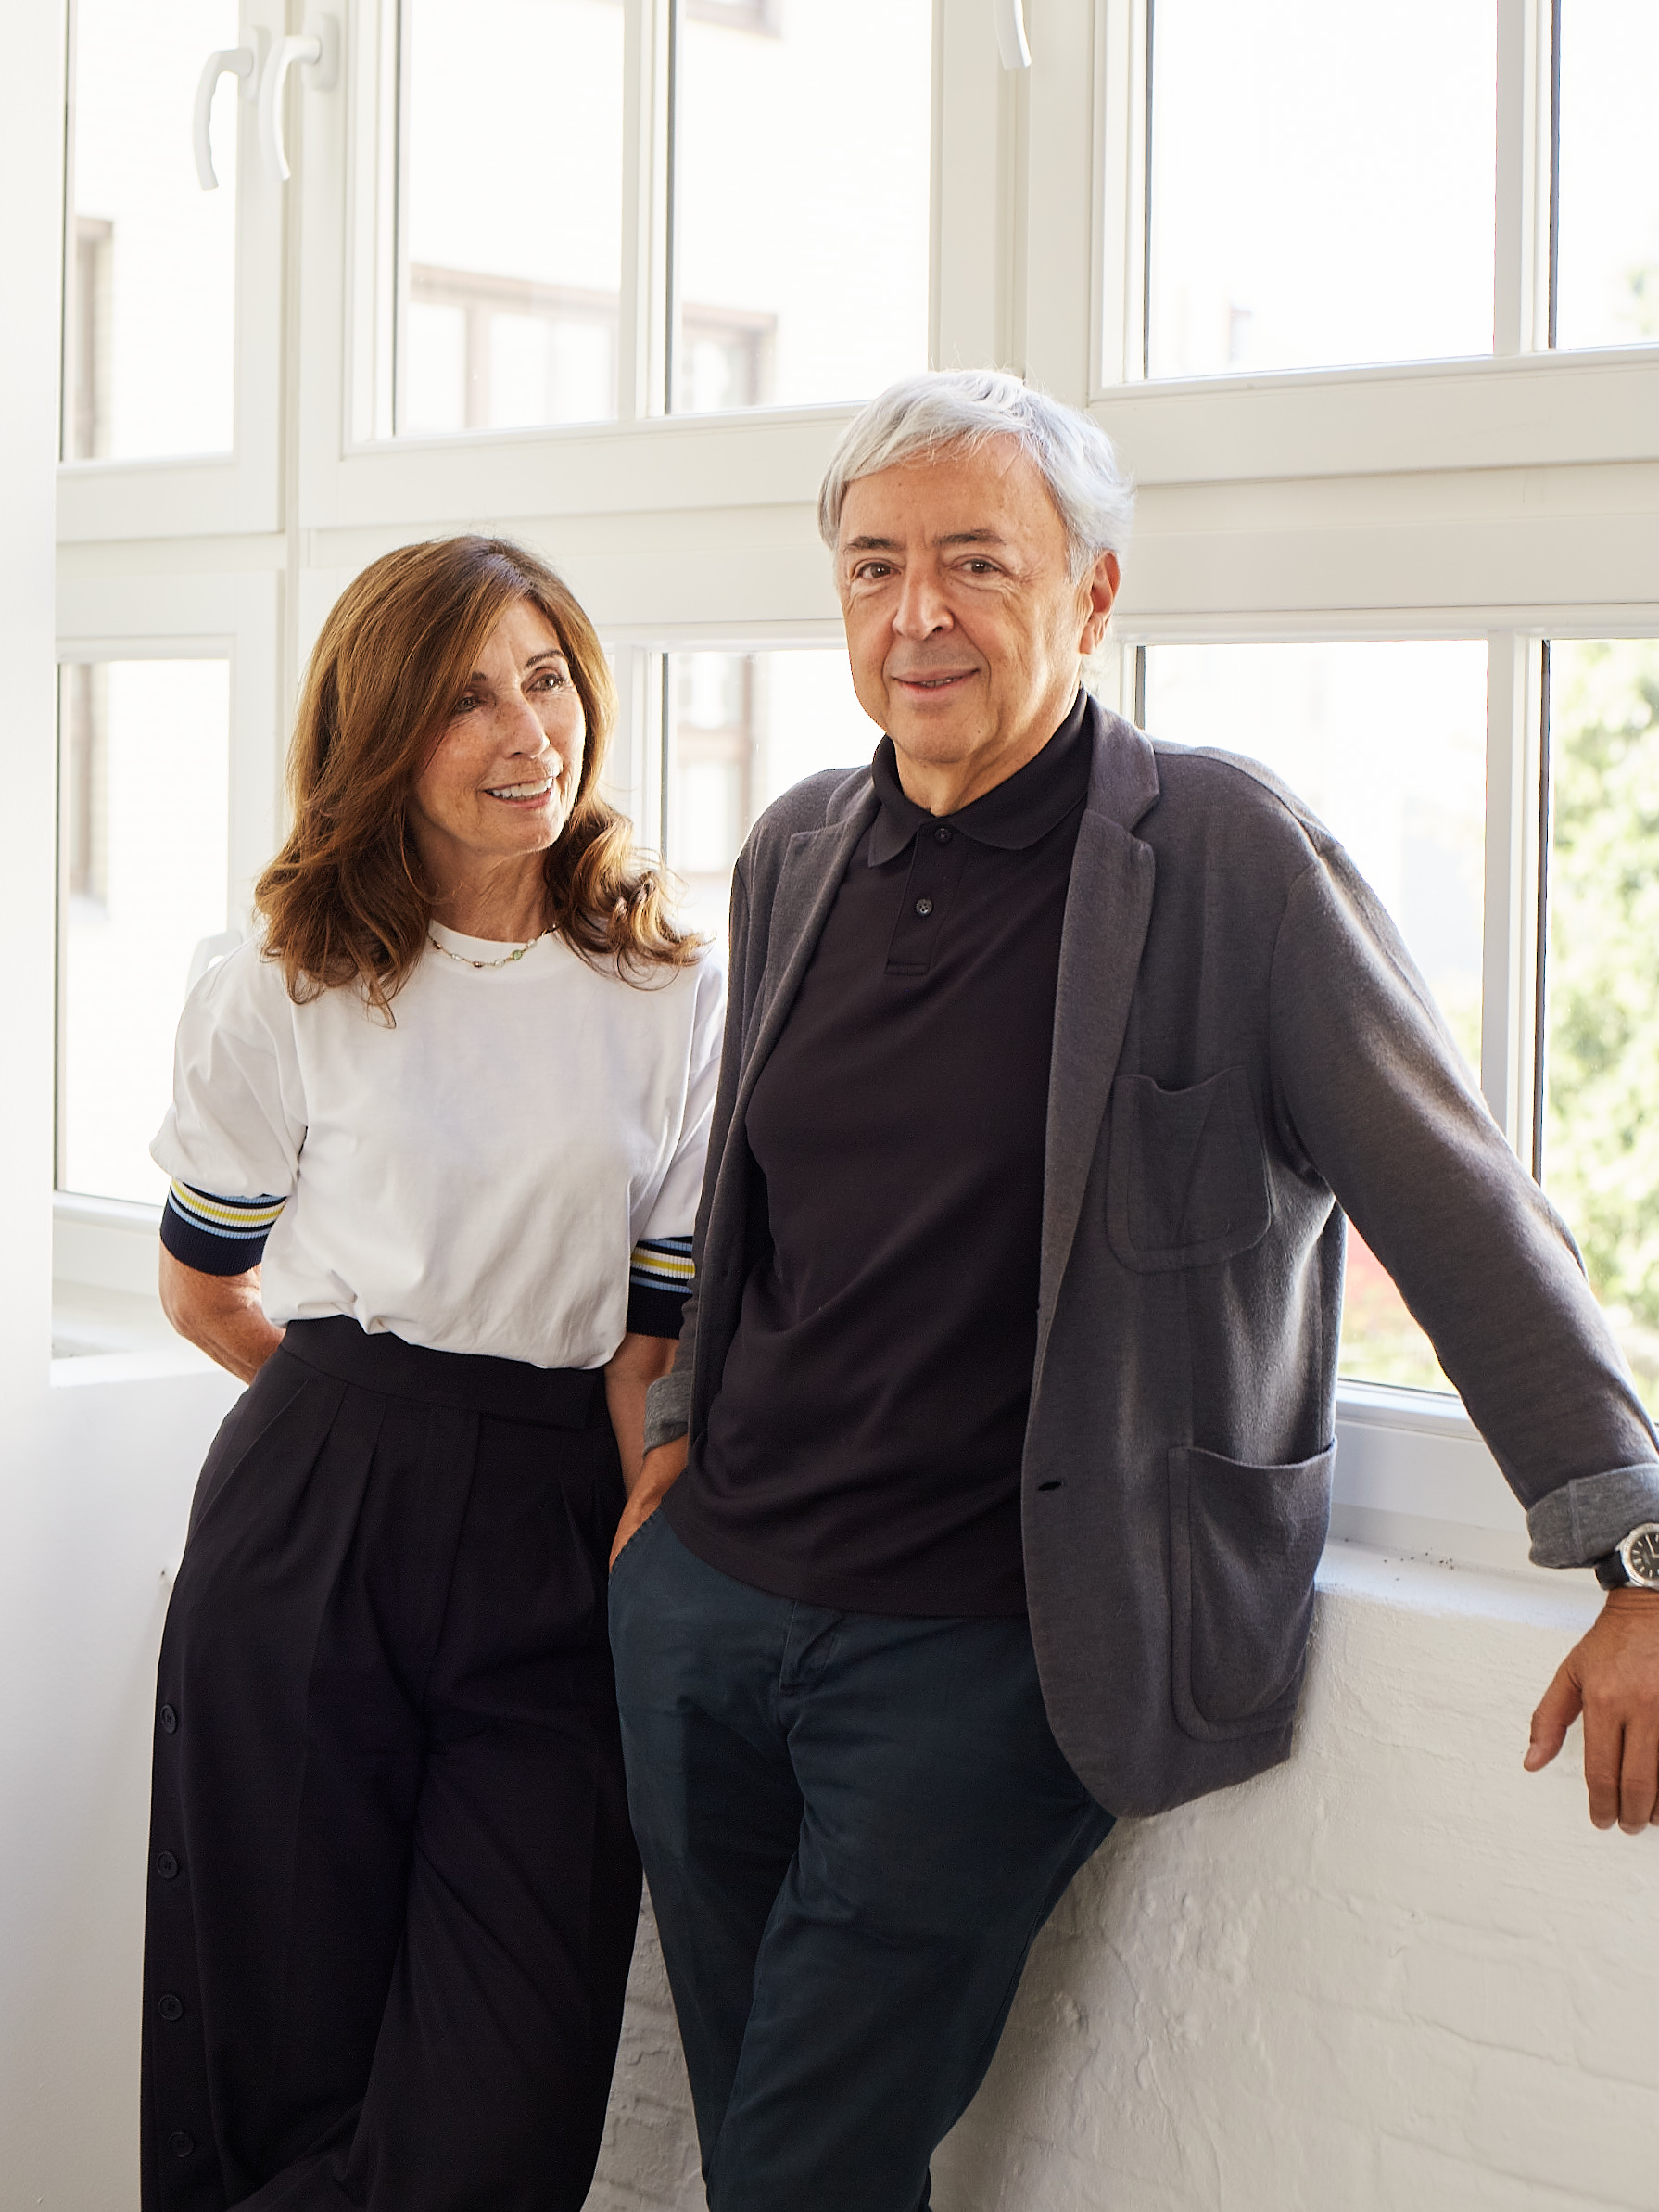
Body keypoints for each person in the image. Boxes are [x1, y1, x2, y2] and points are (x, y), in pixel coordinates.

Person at [604, 371, 1659, 2212]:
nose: (915, 611)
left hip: (988, 1649)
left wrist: (1629, 1541)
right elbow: (742, 1184)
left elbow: (1459, 1195)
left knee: (793, 2162)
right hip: (714, 1618)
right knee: (764, 2123)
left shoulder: (1223, 858)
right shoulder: (795, 848)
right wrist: (680, 1436)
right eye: (872, 567)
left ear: (1090, 595)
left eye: (972, 563)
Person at [141, 536, 722, 2212]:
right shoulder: (285, 977)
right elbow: (202, 1288)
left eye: (547, 678)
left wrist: (645, 1547)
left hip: (559, 1518)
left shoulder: (669, 987)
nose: (526, 727)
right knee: (278, 2069)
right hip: (317, 1501)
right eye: (466, 696)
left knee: (501, 2113)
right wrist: (353, 1445)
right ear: (380, 733)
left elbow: (649, 1338)